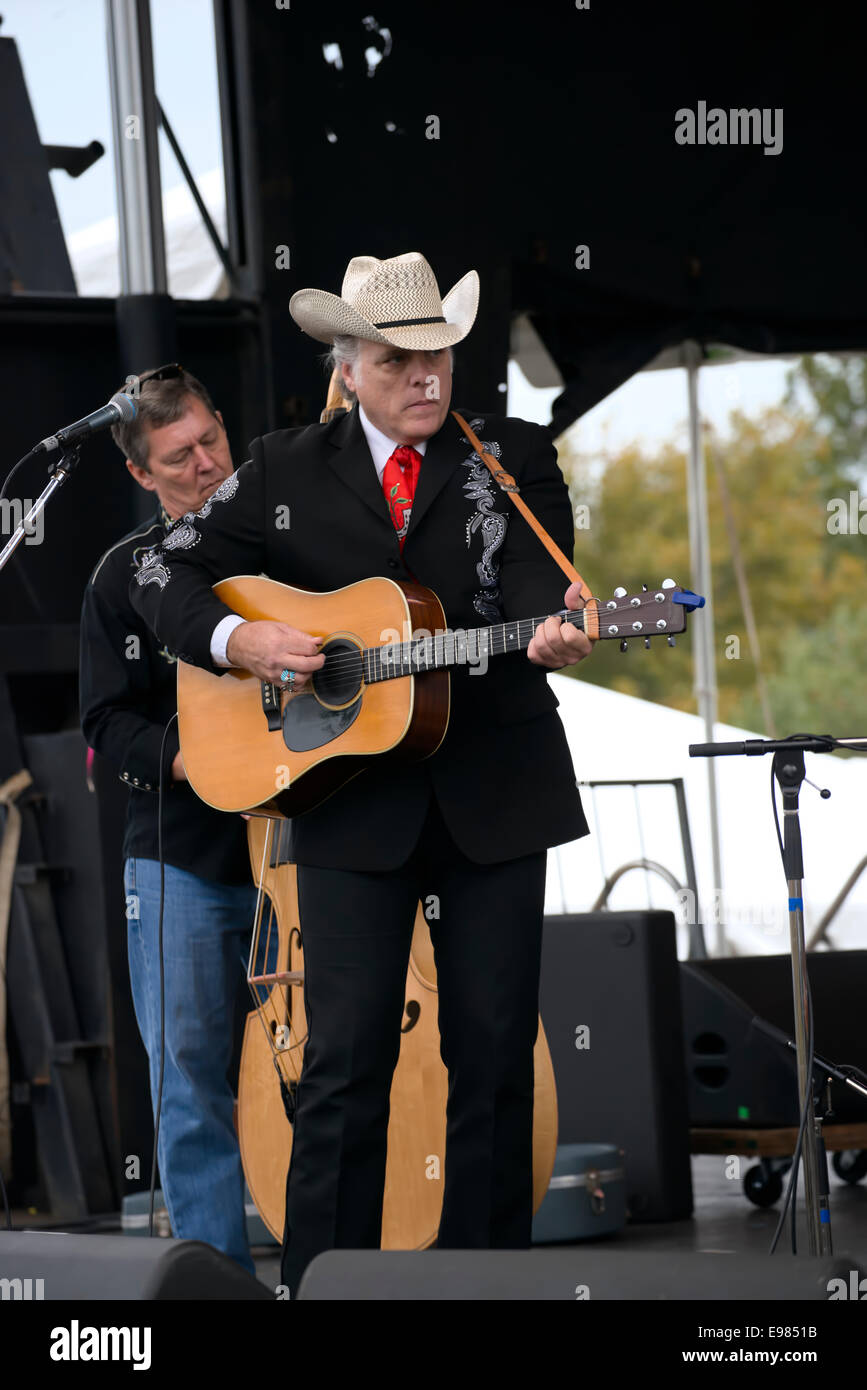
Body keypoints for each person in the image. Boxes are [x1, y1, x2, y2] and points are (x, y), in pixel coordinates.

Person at [129, 252, 594, 1296]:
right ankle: (326, 1290)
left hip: (495, 785)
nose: (427, 377)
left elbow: (537, 577)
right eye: (398, 360)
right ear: (349, 367)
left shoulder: (510, 454)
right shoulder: (284, 465)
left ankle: (485, 1294)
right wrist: (232, 643)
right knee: (341, 1070)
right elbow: (162, 570)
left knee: (491, 1061)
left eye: (438, 354)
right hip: (346, 798)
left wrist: (553, 631)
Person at [79, 365, 260, 1274]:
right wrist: (195, 761)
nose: (203, 464)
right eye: (177, 457)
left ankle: (345, 1272)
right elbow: (105, 722)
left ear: (224, 423)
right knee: (189, 1083)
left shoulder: (288, 539)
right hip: (175, 860)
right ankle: (221, 1284)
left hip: (301, 852)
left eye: (210, 441)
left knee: (325, 1068)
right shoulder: (122, 576)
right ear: (141, 476)